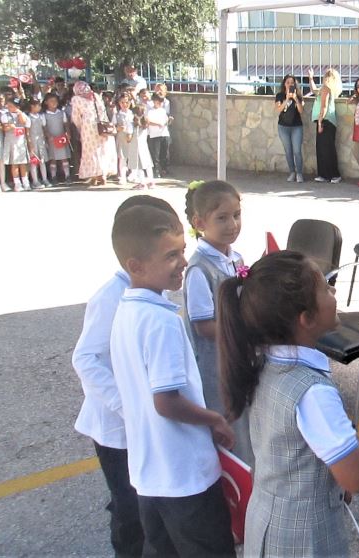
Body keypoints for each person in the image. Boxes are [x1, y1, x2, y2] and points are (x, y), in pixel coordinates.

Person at [216, 251, 359, 557]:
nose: (334, 291)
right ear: (306, 319)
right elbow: (356, 475)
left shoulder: (262, 361)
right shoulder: (312, 392)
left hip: (268, 522)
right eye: (325, 287)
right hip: (305, 538)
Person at [109, 204, 235, 556]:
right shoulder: (161, 321)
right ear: (135, 266)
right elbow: (166, 401)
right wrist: (215, 419)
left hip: (149, 473)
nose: (182, 261)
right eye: (170, 256)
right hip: (185, 475)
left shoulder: (126, 310)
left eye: (181, 251)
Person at [72, 195, 178, 557]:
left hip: (144, 424)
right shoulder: (111, 296)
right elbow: (86, 358)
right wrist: (127, 407)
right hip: (118, 431)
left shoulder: (152, 290)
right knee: (129, 508)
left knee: (148, 504)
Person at [183, 180, 253, 465]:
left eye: (236, 215)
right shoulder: (200, 269)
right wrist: (246, 332)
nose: (232, 224)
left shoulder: (235, 259)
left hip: (236, 359)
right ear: (199, 222)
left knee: (243, 424)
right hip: (215, 368)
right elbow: (203, 326)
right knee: (227, 431)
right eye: (221, 218)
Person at [70, 81, 117, 186]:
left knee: (90, 152)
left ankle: (95, 175)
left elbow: (75, 117)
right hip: (101, 125)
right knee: (102, 150)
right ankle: (103, 175)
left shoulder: (76, 99)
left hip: (87, 126)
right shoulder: (95, 95)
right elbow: (102, 110)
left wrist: (80, 127)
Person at [307, 67, 342, 183]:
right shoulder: (324, 89)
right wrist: (311, 78)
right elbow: (314, 90)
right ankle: (324, 174)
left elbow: (324, 106)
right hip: (323, 121)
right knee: (321, 148)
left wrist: (320, 122)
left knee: (327, 149)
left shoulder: (326, 89)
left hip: (325, 121)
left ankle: (334, 175)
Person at [274, 74, 305, 183]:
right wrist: (287, 99)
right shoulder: (280, 96)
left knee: (297, 151)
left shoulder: (299, 96)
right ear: (284, 84)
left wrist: (296, 99)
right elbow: (278, 109)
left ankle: (299, 173)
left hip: (296, 127)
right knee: (288, 151)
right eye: (288, 82)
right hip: (283, 127)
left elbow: (301, 111)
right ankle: (292, 172)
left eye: (292, 83)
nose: (290, 85)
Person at [2, 97, 30, 191]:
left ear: (17, 107)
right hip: (11, 142)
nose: (9, 108)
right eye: (8, 106)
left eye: (12, 106)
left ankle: (25, 182)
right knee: (14, 164)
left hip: (21, 142)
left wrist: (19, 113)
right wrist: (11, 127)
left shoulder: (22, 114)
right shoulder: (5, 115)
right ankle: (17, 184)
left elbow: (24, 123)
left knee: (23, 164)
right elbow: (4, 128)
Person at [43, 92, 71, 184]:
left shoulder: (61, 113)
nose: (54, 103)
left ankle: (67, 176)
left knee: (64, 157)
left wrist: (68, 133)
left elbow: (66, 124)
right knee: (53, 158)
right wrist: (48, 136)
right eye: (51, 101)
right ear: (46, 102)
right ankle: (53, 177)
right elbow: (44, 127)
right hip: (52, 140)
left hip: (61, 137)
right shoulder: (44, 115)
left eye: (55, 101)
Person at [126, 103, 154, 189]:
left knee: (138, 165)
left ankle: (142, 183)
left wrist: (127, 137)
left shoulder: (131, 124)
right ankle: (151, 181)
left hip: (135, 147)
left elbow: (129, 137)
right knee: (148, 164)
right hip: (144, 146)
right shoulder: (145, 124)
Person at [26, 99, 52, 188]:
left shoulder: (41, 116)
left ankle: (45, 179)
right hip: (33, 141)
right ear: (32, 106)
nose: (40, 107)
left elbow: (44, 129)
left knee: (42, 161)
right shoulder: (28, 118)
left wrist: (46, 138)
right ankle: (35, 181)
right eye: (38, 105)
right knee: (33, 162)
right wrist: (30, 144)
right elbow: (28, 132)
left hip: (41, 141)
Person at [146, 94, 170, 178]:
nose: (159, 103)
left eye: (160, 101)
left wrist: (167, 121)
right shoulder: (150, 111)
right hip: (154, 134)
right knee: (155, 154)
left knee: (164, 153)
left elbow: (166, 120)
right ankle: (156, 170)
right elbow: (148, 121)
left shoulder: (163, 111)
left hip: (164, 133)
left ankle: (164, 169)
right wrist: (157, 124)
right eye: (157, 101)